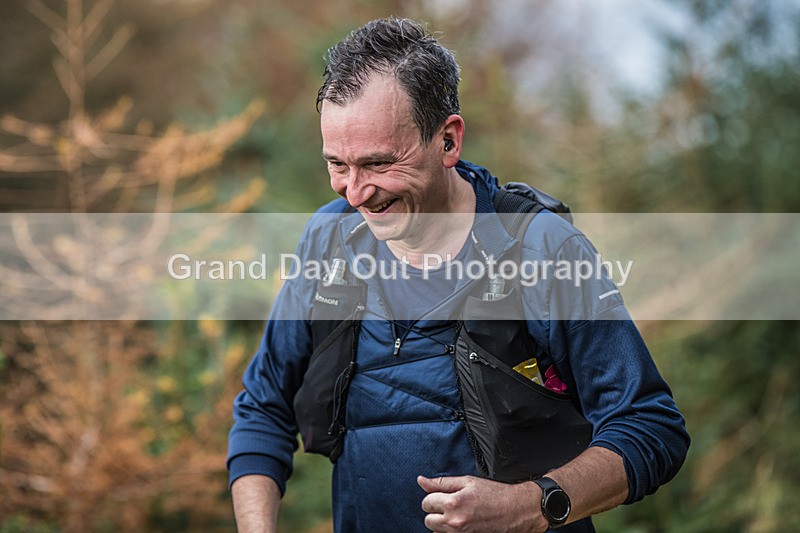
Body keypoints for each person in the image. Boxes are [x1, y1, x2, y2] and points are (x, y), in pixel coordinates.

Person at [227, 17, 689, 532]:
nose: (354, 193)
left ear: (447, 141)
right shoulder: (327, 240)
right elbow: (263, 408)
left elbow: (650, 428)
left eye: (378, 164)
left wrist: (530, 505)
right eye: (337, 164)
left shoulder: (543, 250)